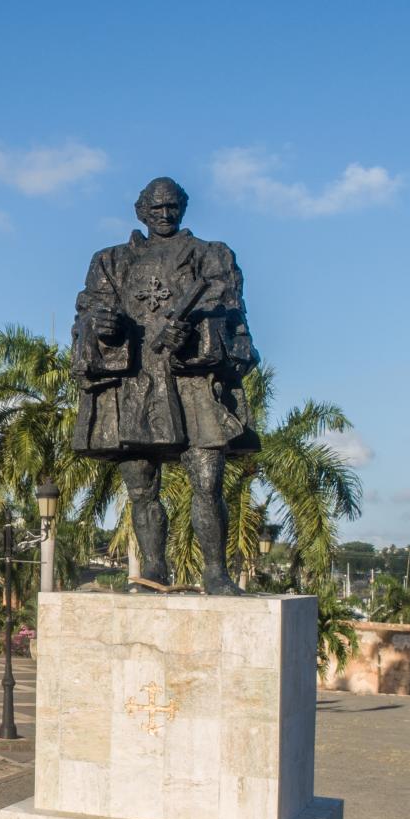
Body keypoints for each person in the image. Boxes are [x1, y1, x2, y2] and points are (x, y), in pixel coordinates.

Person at [71, 177, 260, 593]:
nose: (164, 214)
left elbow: (239, 331)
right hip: (136, 385)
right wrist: (101, 327)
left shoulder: (211, 257)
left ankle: (216, 573)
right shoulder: (109, 261)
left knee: (207, 483)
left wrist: (196, 338)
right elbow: (87, 314)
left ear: (184, 208)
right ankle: (153, 571)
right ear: (141, 211)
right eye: (155, 208)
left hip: (193, 385)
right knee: (141, 489)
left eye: (172, 206)